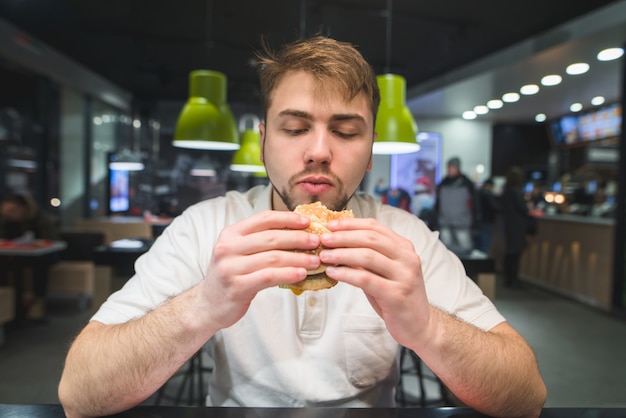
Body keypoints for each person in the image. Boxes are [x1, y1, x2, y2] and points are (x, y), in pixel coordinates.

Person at [58, 36, 546, 418]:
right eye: (294, 128)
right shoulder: (208, 226)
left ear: (371, 144)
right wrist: (202, 307)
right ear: (264, 138)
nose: (317, 150)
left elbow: (526, 397)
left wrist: (426, 327)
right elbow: (79, 395)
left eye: (346, 130)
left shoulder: (405, 237)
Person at [0, 192, 59, 319]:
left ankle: (38, 301)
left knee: (37, 263)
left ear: (23, 208)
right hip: (16, 255)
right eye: (6, 211)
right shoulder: (6, 220)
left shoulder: (39, 218)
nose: (8, 214)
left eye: (12, 210)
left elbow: (51, 239)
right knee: (7, 263)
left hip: (44, 255)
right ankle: (11, 303)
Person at [435, 157, 479, 255]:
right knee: (446, 252)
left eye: (452, 167)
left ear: (457, 167)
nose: (450, 169)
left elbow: (475, 204)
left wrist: (475, 222)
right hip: (445, 222)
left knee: (465, 251)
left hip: (462, 223)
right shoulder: (443, 183)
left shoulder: (467, 184)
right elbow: (438, 204)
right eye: (449, 167)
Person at [501, 167, 531, 288]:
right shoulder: (515, 192)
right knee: (515, 253)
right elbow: (523, 208)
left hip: (509, 224)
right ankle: (513, 279)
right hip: (517, 225)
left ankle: (509, 278)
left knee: (510, 252)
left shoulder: (506, 191)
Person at [476, 178, 501, 254]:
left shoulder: (478, 193)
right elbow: (494, 207)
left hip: (479, 220)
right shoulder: (488, 194)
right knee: (485, 242)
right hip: (487, 220)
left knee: (479, 243)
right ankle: (483, 261)